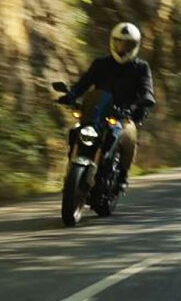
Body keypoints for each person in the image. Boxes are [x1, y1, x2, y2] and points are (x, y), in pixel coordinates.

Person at [58, 22, 156, 190]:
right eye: (119, 42)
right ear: (112, 42)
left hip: (123, 115)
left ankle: (123, 175)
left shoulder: (141, 68)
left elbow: (146, 89)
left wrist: (145, 99)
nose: (122, 47)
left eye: (128, 44)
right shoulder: (100, 64)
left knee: (130, 136)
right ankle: (71, 169)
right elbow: (84, 83)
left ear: (135, 46)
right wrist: (70, 95)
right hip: (96, 112)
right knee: (76, 130)